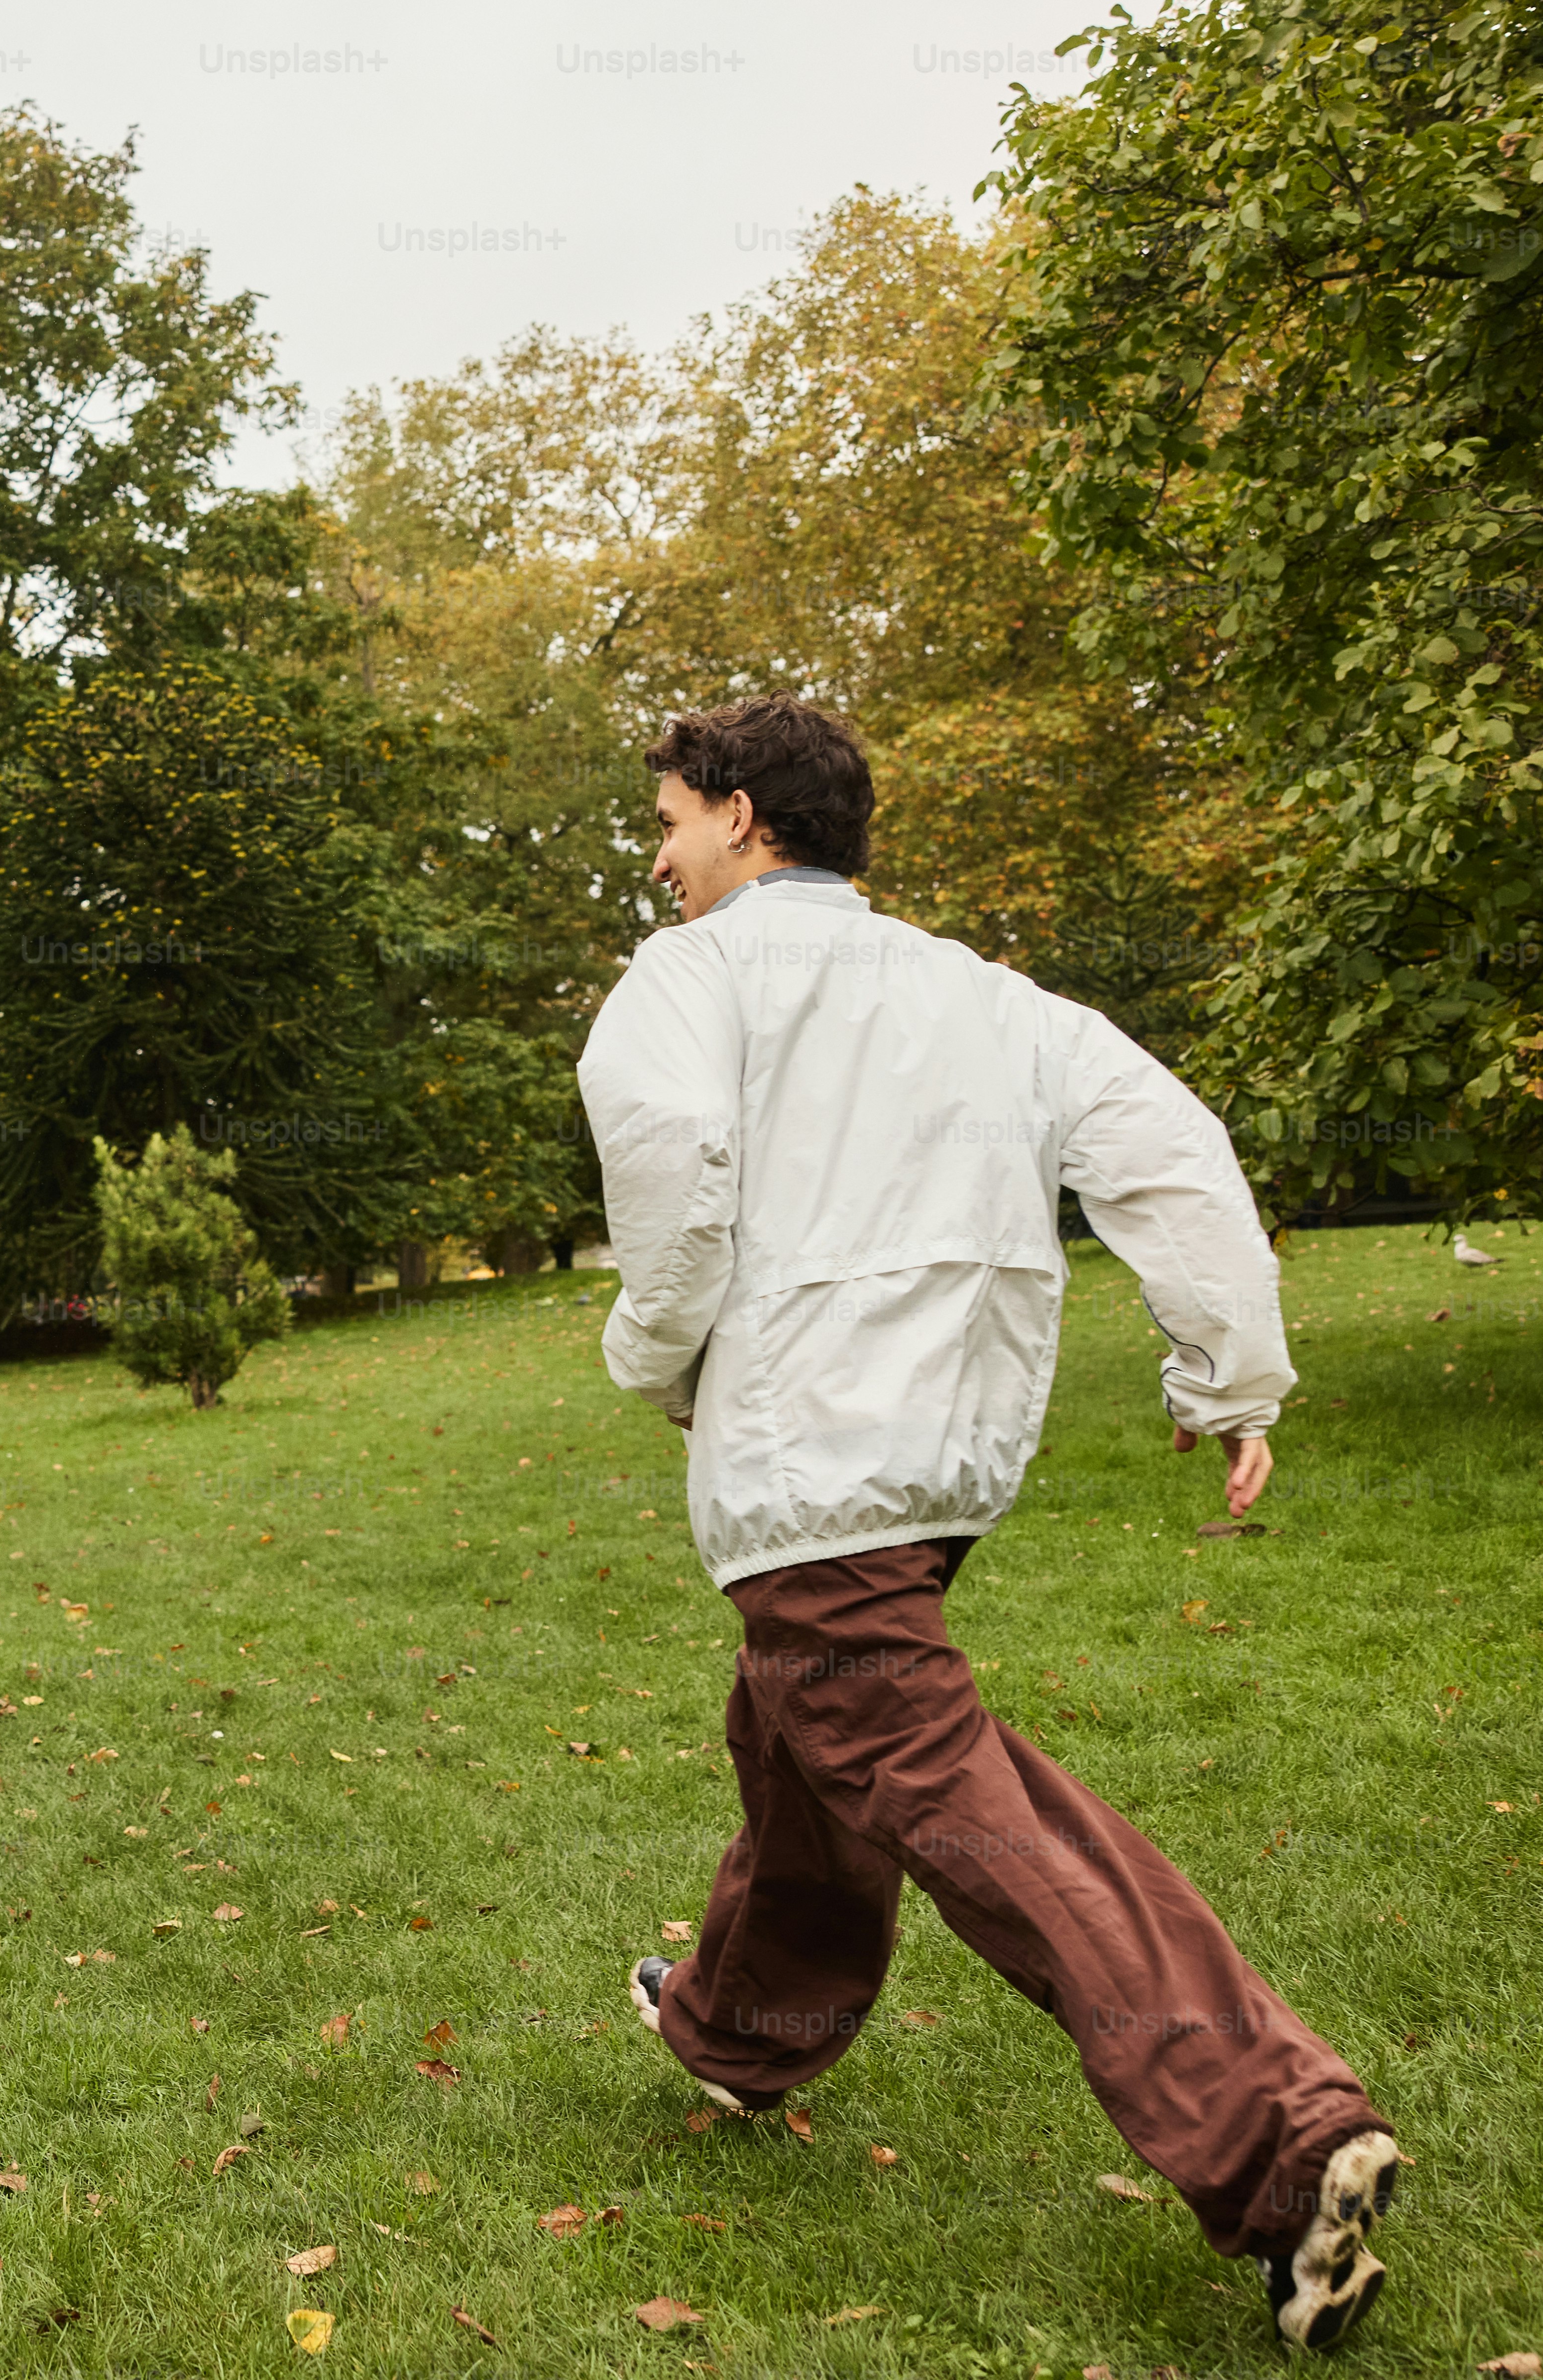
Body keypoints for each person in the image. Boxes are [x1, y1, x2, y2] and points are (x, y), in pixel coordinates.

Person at [578, 696, 1399, 2355]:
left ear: (742, 815)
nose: (658, 856)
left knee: (942, 1789)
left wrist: (652, 1359)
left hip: (815, 1464)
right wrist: (1231, 1367)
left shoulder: (693, 978)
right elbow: (1169, 1148)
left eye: (667, 818)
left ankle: (1282, 2136)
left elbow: (675, 1175)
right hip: (946, 1462)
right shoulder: (990, 996)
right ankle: (739, 2026)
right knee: (804, 1728)